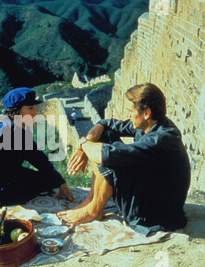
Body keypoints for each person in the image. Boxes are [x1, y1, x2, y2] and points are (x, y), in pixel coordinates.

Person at [58, 83, 191, 236]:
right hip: (152, 188)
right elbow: (106, 124)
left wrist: (82, 144)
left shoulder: (160, 139)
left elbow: (103, 154)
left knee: (110, 158)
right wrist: (87, 143)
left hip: (157, 215)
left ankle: (94, 210)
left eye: (131, 111)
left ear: (146, 113)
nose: (128, 115)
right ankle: (91, 200)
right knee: (105, 136)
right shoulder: (150, 124)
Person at [0, 87, 74, 225]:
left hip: (12, 175)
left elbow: (37, 157)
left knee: (48, 181)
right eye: (30, 108)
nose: (36, 112)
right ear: (16, 112)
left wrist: (60, 181)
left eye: (34, 107)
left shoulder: (21, 131)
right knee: (22, 195)